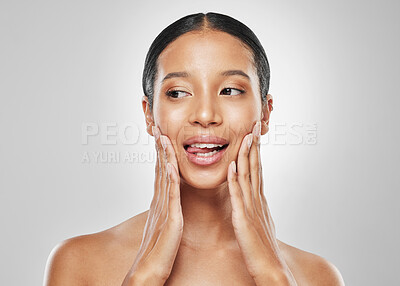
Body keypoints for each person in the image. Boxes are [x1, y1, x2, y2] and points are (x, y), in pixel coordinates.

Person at [44, 12, 345, 285]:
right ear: (149, 114)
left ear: (265, 113)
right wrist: (144, 276)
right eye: (177, 93)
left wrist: (273, 275)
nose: (204, 115)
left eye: (230, 90)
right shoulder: (78, 263)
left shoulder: (317, 277)